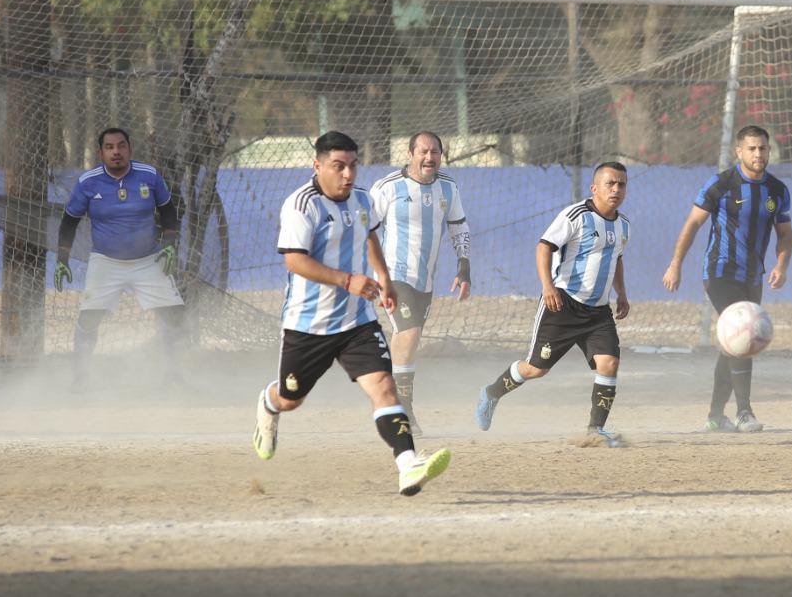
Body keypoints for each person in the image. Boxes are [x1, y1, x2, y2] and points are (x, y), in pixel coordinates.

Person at [250, 131, 451, 496]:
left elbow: (370, 234)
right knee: (291, 399)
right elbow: (294, 261)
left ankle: (408, 465)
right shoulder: (301, 205)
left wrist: (384, 278)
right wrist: (347, 280)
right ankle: (269, 403)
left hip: (356, 320)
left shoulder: (362, 199)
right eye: (338, 167)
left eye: (353, 166)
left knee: (384, 386)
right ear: (318, 166)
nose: (348, 175)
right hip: (308, 325)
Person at [474, 162, 631, 444]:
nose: (616, 189)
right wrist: (548, 287)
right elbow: (544, 246)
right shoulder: (576, 215)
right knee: (537, 369)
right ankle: (492, 392)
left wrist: (622, 293)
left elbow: (616, 259)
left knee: (609, 364)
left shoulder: (623, 225)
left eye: (621, 184)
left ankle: (594, 431)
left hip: (598, 311)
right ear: (594, 188)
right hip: (563, 305)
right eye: (610, 183)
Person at [661, 125, 792, 432]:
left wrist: (782, 265)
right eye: (751, 148)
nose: (758, 154)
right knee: (744, 332)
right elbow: (693, 224)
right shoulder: (720, 184)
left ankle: (715, 415)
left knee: (732, 344)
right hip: (719, 273)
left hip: (753, 276)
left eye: (762, 148)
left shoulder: (777, 190)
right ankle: (744, 412)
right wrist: (675, 264)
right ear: (739, 152)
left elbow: (785, 234)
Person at [54, 127, 185, 382]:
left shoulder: (150, 176)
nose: (116, 152)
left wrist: (169, 244)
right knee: (89, 317)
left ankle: (174, 374)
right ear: (100, 152)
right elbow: (69, 222)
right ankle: (80, 377)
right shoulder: (88, 182)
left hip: (149, 259)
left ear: (130, 149)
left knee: (176, 315)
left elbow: (169, 211)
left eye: (121, 146)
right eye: (110, 147)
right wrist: (62, 260)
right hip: (106, 261)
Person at [368, 131, 471, 436]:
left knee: (407, 341)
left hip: (424, 280)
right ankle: (402, 411)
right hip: (392, 275)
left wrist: (464, 267)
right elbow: (368, 231)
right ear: (410, 154)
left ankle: (389, 401)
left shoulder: (448, 188)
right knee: (409, 334)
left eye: (435, 152)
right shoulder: (388, 188)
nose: (429, 157)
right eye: (423, 152)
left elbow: (458, 226)